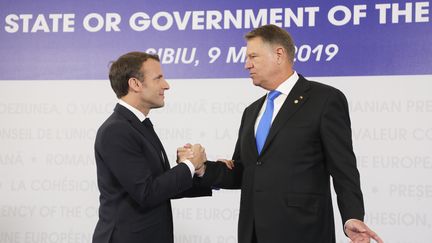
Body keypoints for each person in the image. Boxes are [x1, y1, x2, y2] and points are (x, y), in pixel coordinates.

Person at [187, 25, 383, 243]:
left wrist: (352, 217)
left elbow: (343, 167)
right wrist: (204, 168)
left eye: (253, 56)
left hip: (303, 231)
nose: (246, 65)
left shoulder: (325, 99)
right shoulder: (251, 112)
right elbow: (244, 171)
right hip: (252, 233)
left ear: (279, 54)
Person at [92, 52, 211, 243]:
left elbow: (161, 187)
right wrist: (188, 164)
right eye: (158, 78)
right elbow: (146, 193)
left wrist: (202, 170)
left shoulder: (138, 125)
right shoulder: (116, 130)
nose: (166, 85)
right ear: (135, 84)